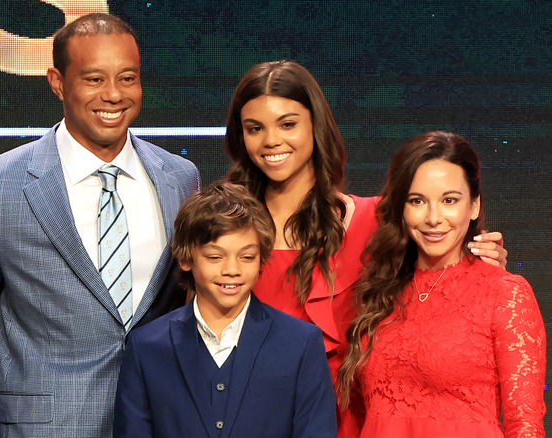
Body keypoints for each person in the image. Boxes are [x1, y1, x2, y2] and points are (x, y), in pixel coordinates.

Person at [0, 13, 201, 438]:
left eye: (127, 78)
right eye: (94, 79)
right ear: (57, 82)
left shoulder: (180, 178)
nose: (113, 95)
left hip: (162, 420)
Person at [223, 60, 508, 437]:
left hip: (354, 424)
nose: (271, 140)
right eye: (254, 129)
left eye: (288, 124)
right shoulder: (226, 233)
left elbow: (442, 283)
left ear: (315, 126)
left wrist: (482, 261)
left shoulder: (375, 221)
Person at [336, 131, 545, 437]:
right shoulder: (378, 289)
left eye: (449, 200)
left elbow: (525, 426)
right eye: (417, 201)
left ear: (473, 206)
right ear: (401, 208)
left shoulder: (506, 294)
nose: (434, 218)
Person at [114, 181, 337, 438]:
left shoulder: (300, 343)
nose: (232, 270)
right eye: (215, 257)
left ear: (262, 259)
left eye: (246, 257)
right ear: (186, 259)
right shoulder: (147, 347)